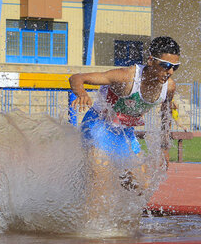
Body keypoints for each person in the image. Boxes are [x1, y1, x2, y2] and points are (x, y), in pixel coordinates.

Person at [69, 36, 180, 188]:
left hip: (123, 134)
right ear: (151, 61)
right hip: (98, 126)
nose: (171, 71)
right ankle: (86, 189)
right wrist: (82, 93)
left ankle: (109, 193)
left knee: (141, 186)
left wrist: (164, 148)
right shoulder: (126, 77)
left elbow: (166, 115)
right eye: (166, 65)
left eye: (175, 67)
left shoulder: (169, 87)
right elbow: (77, 78)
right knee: (100, 183)